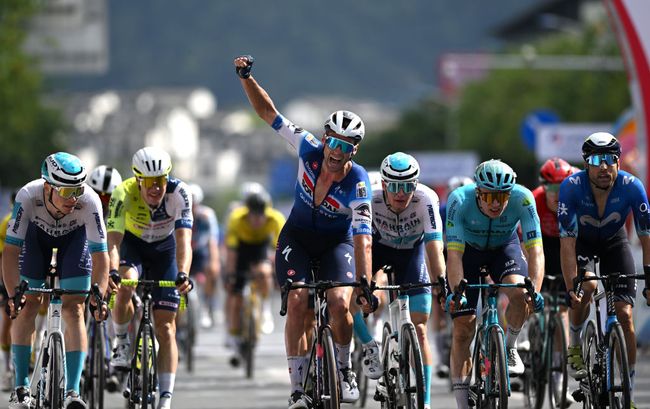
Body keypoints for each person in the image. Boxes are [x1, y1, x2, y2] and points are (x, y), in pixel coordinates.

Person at [234, 54, 375, 409]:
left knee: (340, 303)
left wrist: (364, 281)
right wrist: (246, 78)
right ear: (325, 138)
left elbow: (362, 237)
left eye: (345, 146)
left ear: (353, 151)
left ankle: (343, 370)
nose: (335, 150)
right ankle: (297, 388)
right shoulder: (308, 147)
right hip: (296, 236)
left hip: (335, 243)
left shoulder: (359, 183)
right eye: (333, 141)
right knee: (298, 301)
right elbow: (270, 115)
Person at [3, 152, 109, 409]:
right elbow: (10, 252)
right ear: (48, 187)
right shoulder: (28, 196)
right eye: (65, 192)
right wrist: (12, 295)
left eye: (78, 190)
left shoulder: (90, 200)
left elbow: (101, 256)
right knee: (28, 304)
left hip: (74, 241)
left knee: (75, 308)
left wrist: (99, 296)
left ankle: (73, 391)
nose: (73, 199)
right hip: (36, 240)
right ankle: (21, 386)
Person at [558, 132, 650, 408]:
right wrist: (570, 284)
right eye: (597, 160)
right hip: (582, 243)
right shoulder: (571, 187)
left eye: (610, 159)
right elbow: (567, 244)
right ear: (586, 163)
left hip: (614, 242)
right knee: (585, 286)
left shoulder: (632, 186)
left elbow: (646, 236)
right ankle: (575, 339)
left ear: (618, 162)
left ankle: (629, 392)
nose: (603, 166)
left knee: (624, 315)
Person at [444, 159, 545, 409]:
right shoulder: (460, 200)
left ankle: (509, 347)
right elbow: (454, 255)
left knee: (520, 293)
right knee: (463, 329)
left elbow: (536, 251)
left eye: (502, 197)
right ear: (478, 192)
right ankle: (462, 403)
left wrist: (535, 289)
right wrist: (457, 293)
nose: (496, 204)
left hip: (504, 249)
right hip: (468, 252)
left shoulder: (523, 198)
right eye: (489, 197)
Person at [354, 152, 446, 409]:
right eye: (394, 186)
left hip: (411, 256)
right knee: (355, 300)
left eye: (407, 186)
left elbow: (434, 246)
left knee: (419, 329)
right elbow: (362, 244)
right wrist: (364, 282)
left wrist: (442, 283)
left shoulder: (426, 199)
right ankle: (370, 346)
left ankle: (425, 402)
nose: (401, 193)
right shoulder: (369, 199)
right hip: (378, 250)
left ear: (415, 185)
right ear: (383, 184)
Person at [107, 147, 193, 409]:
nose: (156, 187)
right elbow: (112, 242)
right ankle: (121, 342)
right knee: (124, 287)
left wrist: (182, 274)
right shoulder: (122, 193)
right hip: (133, 245)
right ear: (138, 179)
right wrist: (112, 272)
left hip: (165, 251)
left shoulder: (180, 193)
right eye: (150, 182)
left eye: (161, 180)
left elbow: (184, 242)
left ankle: (165, 397)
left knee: (166, 328)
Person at [224, 188, 285, 363]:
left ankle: (265, 308)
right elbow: (232, 252)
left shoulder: (275, 219)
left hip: (261, 248)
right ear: (248, 212)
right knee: (235, 298)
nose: (258, 219)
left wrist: (277, 274)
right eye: (254, 215)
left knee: (264, 273)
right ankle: (235, 337)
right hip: (241, 250)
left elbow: (279, 251)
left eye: (261, 215)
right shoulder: (236, 218)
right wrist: (230, 275)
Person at [188, 183, 221, 329]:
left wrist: (214, 262)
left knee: (211, 270)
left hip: (200, 252)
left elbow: (212, 242)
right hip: (184, 251)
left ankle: (206, 305)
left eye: (194, 205)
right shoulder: (177, 211)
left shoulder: (207, 215)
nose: (192, 208)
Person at [0, 192, 16, 392]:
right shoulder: (6, 223)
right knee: (7, 322)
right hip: (9, 272)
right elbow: (2, 255)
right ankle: (7, 368)